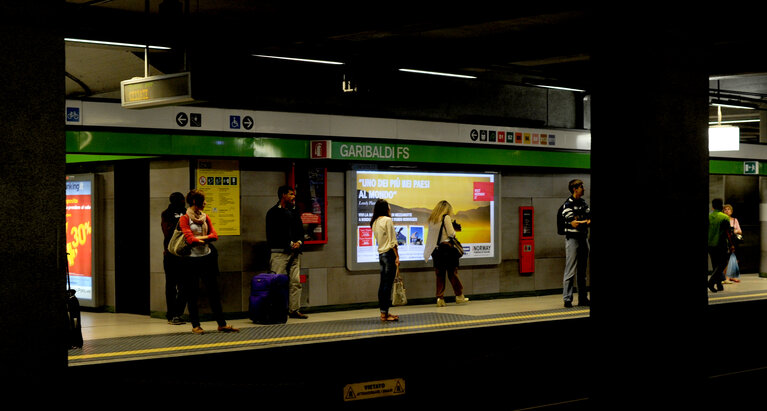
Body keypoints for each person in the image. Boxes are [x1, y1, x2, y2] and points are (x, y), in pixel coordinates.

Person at [179, 189, 239, 334]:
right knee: (192, 293)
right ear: (195, 202)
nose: (205, 203)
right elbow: (189, 239)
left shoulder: (206, 217)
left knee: (213, 292)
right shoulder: (184, 218)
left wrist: (200, 239)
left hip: (207, 258)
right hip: (191, 261)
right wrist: (204, 238)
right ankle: (195, 325)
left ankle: (221, 324)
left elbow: (215, 235)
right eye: (203, 200)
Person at [266, 185, 308, 319]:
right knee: (276, 282)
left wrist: (299, 242)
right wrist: (290, 243)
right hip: (279, 252)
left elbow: (300, 231)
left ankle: (294, 309)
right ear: (283, 195)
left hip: (294, 253)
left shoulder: (294, 212)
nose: (293, 197)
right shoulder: (273, 213)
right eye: (291, 194)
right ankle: (276, 310)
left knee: (295, 282)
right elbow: (272, 234)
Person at [423, 200, 468, 307]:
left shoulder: (432, 219)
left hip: (436, 251)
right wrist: (454, 229)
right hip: (447, 250)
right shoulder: (446, 218)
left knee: (440, 275)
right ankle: (459, 296)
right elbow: (451, 234)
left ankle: (440, 298)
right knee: (453, 274)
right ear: (447, 209)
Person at [561, 179, 591, 308]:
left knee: (582, 271)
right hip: (572, 239)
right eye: (581, 187)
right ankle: (567, 299)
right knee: (570, 269)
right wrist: (584, 221)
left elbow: (589, 218)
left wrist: (582, 221)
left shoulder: (583, 203)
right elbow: (574, 223)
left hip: (583, 238)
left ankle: (583, 298)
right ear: (575, 189)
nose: (583, 189)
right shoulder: (567, 205)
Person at [371, 199, 400, 322]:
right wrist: (397, 256)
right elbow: (393, 240)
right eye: (389, 207)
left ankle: (384, 313)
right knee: (387, 285)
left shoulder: (375, 222)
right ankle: (385, 314)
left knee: (383, 284)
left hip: (381, 255)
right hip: (389, 254)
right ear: (385, 208)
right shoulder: (388, 220)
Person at [161, 192, 187, 325]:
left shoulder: (166, 213)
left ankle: (172, 314)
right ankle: (176, 313)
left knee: (171, 285)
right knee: (183, 285)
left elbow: (166, 231)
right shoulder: (187, 213)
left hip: (170, 253)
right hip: (182, 253)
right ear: (183, 200)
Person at [708, 199, 734, 293]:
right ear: (722, 207)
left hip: (710, 244)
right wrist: (731, 245)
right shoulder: (724, 217)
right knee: (722, 263)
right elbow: (728, 233)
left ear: (713, 207)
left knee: (715, 264)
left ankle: (719, 285)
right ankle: (711, 282)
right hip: (721, 244)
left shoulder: (709, 216)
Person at [723, 204, 742, 283]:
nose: (727, 211)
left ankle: (732, 276)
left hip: (734, 241)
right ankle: (726, 277)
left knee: (735, 259)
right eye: (725, 209)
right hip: (725, 241)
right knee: (727, 260)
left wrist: (735, 231)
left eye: (728, 209)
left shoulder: (734, 220)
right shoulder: (722, 220)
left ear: (731, 211)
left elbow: (740, 231)